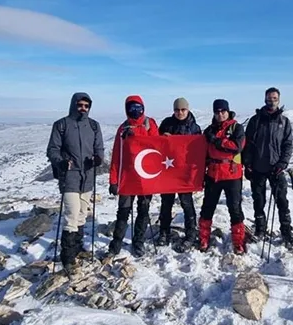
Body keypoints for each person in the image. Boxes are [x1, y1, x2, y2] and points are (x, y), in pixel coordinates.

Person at [46, 92, 104, 274]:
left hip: (87, 176)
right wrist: (61, 162)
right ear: (73, 105)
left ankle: (77, 248)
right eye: (80, 105)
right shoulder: (61, 125)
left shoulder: (94, 125)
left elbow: (99, 148)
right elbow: (52, 149)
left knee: (82, 214)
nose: (83, 108)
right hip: (69, 176)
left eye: (86, 106)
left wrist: (98, 159)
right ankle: (68, 257)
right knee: (72, 214)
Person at [242, 87, 293, 247]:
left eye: (274, 98)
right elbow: (248, 144)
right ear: (265, 99)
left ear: (278, 100)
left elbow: (288, 145)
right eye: (269, 98)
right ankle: (260, 229)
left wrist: (282, 163)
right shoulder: (255, 120)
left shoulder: (284, 122)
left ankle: (286, 231)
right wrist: (248, 163)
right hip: (257, 167)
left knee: (282, 201)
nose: (271, 101)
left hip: (276, 168)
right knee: (258, 201)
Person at [107, 95, 159, 257]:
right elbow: (116, 155)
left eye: (138, 107)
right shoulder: (123, 128)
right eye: (132, 107)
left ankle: (138, 242)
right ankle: (116, 243)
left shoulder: (150, 124)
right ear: (127, 109)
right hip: (127, 177)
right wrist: (113, 180)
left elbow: (156, 145)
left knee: (143, 210)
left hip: (145, 176)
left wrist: (136, 135)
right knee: (123, 211)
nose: (135, 110)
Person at [198, 99, 247, 254]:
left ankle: (238, 242)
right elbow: (203, 153)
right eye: (217, 112)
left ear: (228, 111)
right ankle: (203, 238)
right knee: (207, 207)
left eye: (223, 111)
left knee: (235, 208)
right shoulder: (209, 130)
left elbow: (236, 147)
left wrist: (217, 141)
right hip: (213, 174)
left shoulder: (236, 128)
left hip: (232, 174)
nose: (220, 114)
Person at [156, 97, 202, 250]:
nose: (180, 112)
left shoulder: (194, 128)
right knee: (166, 203)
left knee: (187, 203)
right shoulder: (166, 124)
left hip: (185, 173)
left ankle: (191, 233)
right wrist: (163, 138)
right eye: (177, 110)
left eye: (183, 109)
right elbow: (156, 144)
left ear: (188, 110)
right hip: (168, 171)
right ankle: (164, 232)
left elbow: (198, 151)